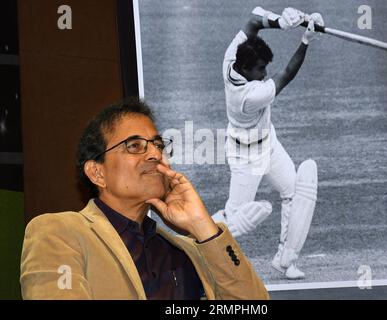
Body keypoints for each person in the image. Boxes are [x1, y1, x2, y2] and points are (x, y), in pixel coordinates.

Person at [20, 98, 269, 300]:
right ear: (97, 172)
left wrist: (203, 228)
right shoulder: (59, 232)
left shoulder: (186, 251)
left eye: (158, 145)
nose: (154, 154)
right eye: (135, 146)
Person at [212, 7, 323, 279]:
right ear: (245, 68)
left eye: (265, 69)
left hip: (268, 144)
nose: (264, 74)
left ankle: (285, 259)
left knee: (293, 191)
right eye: (260, 70)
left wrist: (281, 23)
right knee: (235, 220)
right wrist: (305, 40)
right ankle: (203, 252)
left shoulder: (232, 55)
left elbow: (252, 22)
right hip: (245, 158)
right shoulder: (249, 96)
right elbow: (286, 74)